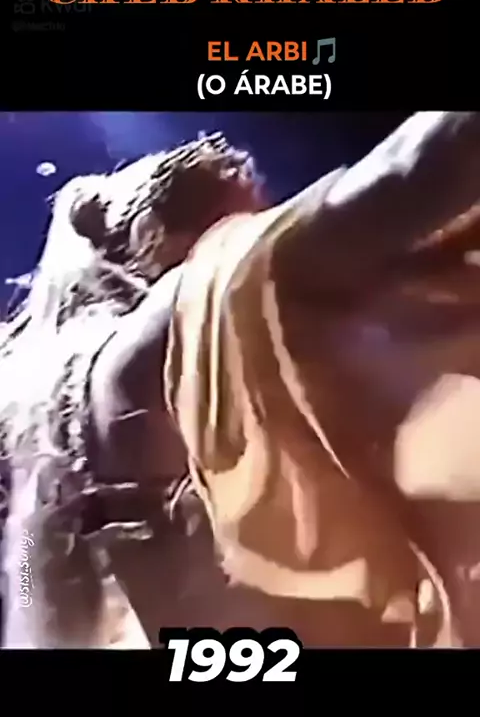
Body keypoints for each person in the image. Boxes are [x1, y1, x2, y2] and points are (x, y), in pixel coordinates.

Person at [3, 114, 480, 649]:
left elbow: (26, 591)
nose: (260, 235)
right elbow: (413, 170)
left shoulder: (68, 422)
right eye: (248, 225)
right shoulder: (186, 314)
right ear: (160, 238)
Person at [0, 133, 272, 648]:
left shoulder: (52, 387)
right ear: (157, 240)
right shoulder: (140, 364)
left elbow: (26, 571)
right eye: (235, 237)